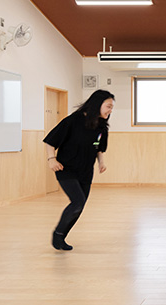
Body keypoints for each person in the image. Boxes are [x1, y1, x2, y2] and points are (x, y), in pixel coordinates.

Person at [44, 89, 114, 250]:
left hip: (85, 171)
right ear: (97, 104)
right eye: (108, 106)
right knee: (77, 202)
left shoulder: (102, 127)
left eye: (111, 107)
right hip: (66, 169)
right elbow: (50, 140)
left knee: (80, 207)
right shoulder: (73, 120)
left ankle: (61, 237)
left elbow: (98, 148)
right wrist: (51, 159)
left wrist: (101, 162)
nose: (110, 110)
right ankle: (57, 234)